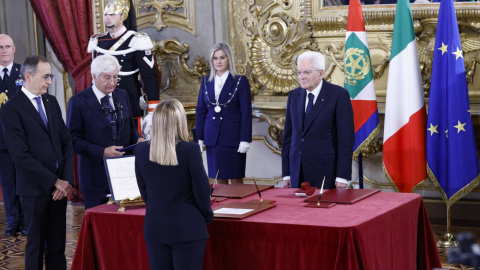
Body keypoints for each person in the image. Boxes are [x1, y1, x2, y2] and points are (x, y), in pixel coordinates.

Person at [0, 55, 73, 269]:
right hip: (34, 190)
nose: (49, 81)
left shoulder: (51, 102)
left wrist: (65, 180)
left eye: (50, 76)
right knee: (36, 245)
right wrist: (54, 181)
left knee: (58, 246)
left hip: (59, 189)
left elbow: (66, 143)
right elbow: (20, 156)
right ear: (28, 76)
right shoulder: (11, 108)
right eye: (46, 77)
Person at [135, 99, 213, 270]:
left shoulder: (141, 150)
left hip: (155, 226)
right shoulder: (190, 150)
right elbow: (201, 191)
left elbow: (144, 190)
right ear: (180, 122)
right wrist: (206, 216)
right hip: (188, 228)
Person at [67, 54, 143, 210]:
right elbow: (73, 140)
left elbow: (130, 127)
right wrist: (102, 151)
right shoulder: (79, 101)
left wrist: (138, 139)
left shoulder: (122, 95)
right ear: (94, 76)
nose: (112, 83)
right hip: (95, 175)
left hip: (124, 173)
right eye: (107, 78)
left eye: (116, 77)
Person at [282, 51, 354, 190]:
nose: (302, 77)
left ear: (320, 73)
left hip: (326, 171)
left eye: (307, 72)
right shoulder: (294, 95)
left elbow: (346, 139)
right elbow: (288, 137)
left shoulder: (338, 95)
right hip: (297, 171)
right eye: (299, 72)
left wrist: (342, 176)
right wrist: (287, 173)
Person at [87, 0, 159, 137]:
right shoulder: (98, 41)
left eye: (112, 14)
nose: (107, 17)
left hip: (129, 99)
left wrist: (152, 110)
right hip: (103, 100)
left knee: (132, 144)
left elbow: (149, 77)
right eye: (106, 14)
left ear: (123, 16)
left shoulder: (137, 40)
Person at [195, 43, 252, 184]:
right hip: (212, 138)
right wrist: (200, 138)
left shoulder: (240, 81)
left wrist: (245, 139)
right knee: (218, 180)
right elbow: (201, 111)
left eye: (222, 57)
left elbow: (246, 113)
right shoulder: (206, 81)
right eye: (215, 58)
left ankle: (238, 206)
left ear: (229, 59)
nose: (218, 61)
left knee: (236, 179)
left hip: (233, 138)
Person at [0, 34, 25, 237]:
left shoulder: (23, 72)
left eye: (8, 46)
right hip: (1, 140)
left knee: (24, 180)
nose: (4, 50)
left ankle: (26, 222)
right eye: (0, 47)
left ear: (14, 49)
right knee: (8, 184)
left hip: (22, 138)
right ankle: (13, 223)